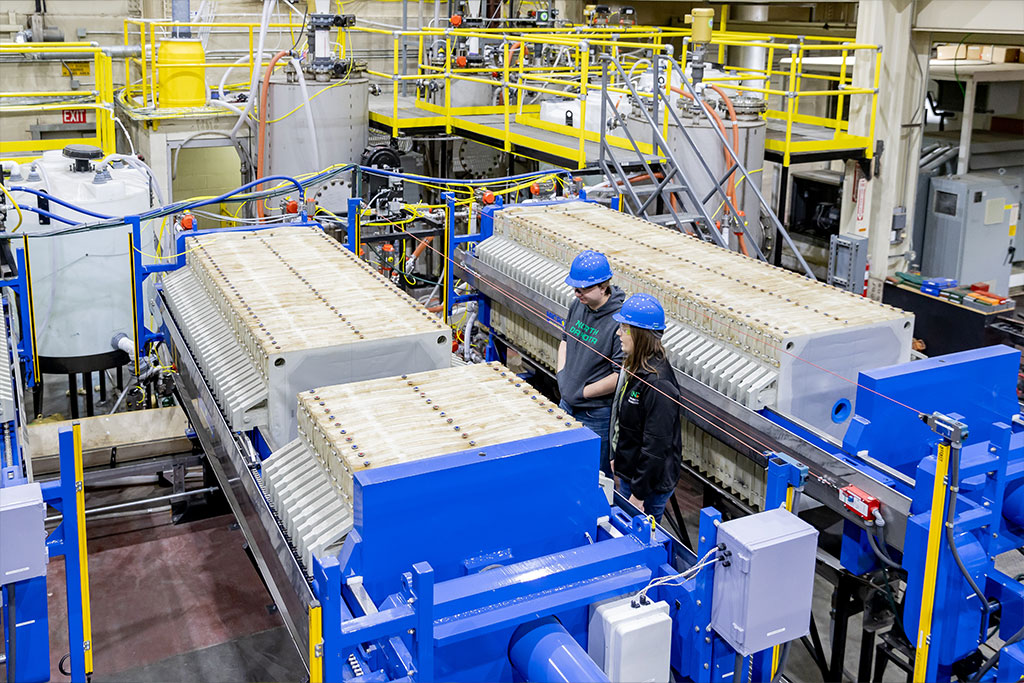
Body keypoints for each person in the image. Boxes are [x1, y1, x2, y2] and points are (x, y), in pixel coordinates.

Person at [610, 293, 682, 524]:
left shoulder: (658, 384)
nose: (619, 333)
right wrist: (620, 458)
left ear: (639, 334)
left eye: (624, 328)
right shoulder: (637, 366)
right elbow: (628, 421)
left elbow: (655, 447)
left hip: (647, 486)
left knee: (640, 535)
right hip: (633, 473)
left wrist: (639, 494)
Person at [557, 250, 625, 478]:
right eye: (575, 288)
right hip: (566, 404)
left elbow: (619, 375)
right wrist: (562, 376)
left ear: (603, 287)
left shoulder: (618, 323)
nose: (577, 294)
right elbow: (565, 340)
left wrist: (582, 392)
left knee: (595, 476)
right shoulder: (577, 305)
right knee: (563, 467)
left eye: (583, 289)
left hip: (595, 414)